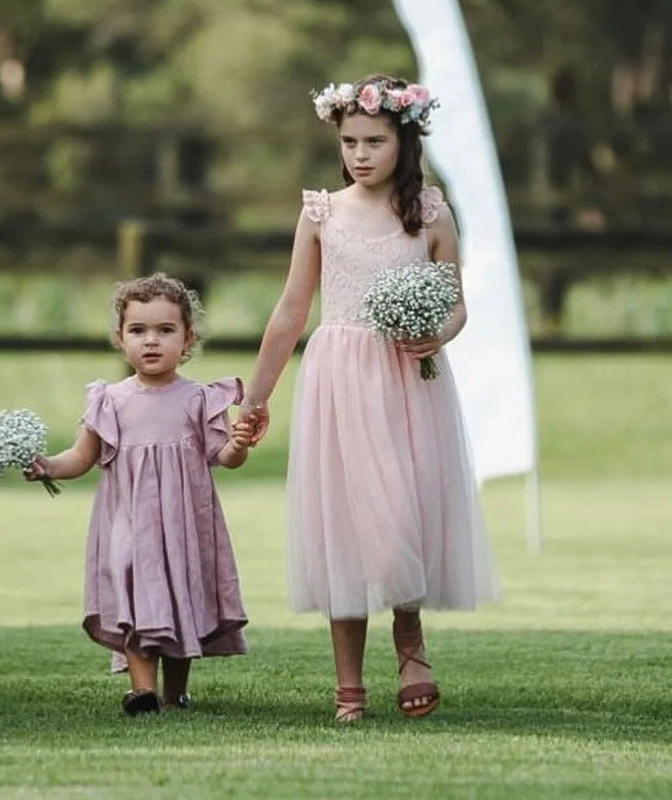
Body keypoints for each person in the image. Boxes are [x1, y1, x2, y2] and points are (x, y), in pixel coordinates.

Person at [239, 75, 500, 722]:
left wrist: (433, 334)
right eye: (349, 141)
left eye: (374, 141)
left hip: (406, 380)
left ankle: (408, 637)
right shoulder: (321, 212)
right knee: (347, 525)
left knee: (404, 509)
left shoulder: (431, 213)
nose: (359, 154)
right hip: (339, 379)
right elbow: (291, 310)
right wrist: (257, 397)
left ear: (403, 140)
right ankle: (347, 685)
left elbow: (457, 303)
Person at [25, 273, 253, 715]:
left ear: (188, 338)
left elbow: (224, 457)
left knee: (178, 593)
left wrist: (238, 444)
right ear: (120, 339)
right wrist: (49, 466)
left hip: (183, 523)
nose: (152, 341)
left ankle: (175, 692)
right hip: (127, 522)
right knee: (134, 592)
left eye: (166, 330)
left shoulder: (199, 400)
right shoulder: (109, 400)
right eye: (138, 330)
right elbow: (81, 456)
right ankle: (142, 689)